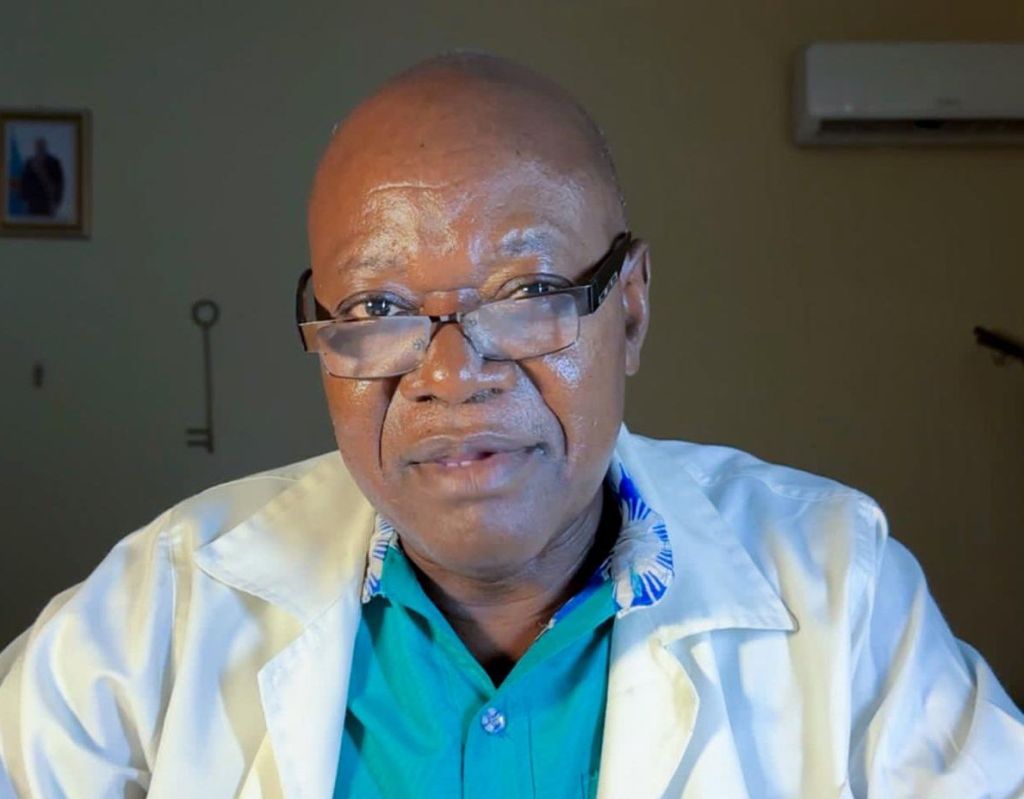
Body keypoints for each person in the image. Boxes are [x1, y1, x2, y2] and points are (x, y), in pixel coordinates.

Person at [1, 53, 1022, 799]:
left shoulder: (841, 590)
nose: (451, 374)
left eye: (528, 292)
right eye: (377, 308)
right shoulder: (156, 607)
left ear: (630, 309)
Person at [19, 138, 64, 217]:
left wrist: (57, 201)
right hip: (32, 201)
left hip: (48, 200)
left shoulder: (53, 162)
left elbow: (59, 183)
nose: (40, 148)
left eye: (41, 146)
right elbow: (24, 182)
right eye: (38, 146)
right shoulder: (29, 162)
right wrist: (24, 200)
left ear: (45, 147)